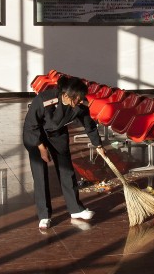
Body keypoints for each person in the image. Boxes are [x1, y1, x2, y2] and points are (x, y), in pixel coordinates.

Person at [23, 76, 106, 230]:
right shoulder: (44, 100)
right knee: (40, 175)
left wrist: (98, 145)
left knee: (67, 171)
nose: (81, 101)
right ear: (67, 96)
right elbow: (31, 125)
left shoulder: (80, 105)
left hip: (58, 135)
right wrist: (41, 148)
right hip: (36, 136)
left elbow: (90, 126)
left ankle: (75, 209)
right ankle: (44, 215)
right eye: (79, 98)